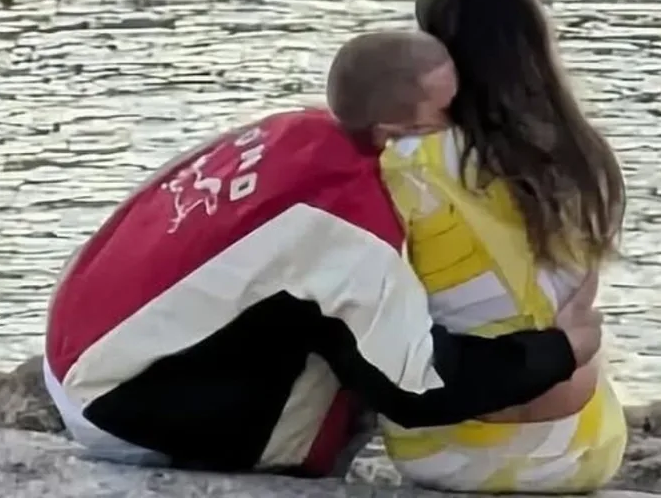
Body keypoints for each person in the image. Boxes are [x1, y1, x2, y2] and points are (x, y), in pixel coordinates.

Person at [44, 30, 602, 475]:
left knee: (336, 302)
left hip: (73, 349)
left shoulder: (293, 128)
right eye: (451, 112)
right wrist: (559, 349)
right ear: (396, 132)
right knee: (370, 347)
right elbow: (421, 386)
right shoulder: (351, 218)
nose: (465, 124)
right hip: (119, 412)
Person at [371, 0, 628, 493]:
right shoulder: (584, 157)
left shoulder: (406, 163)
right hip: (583, 445)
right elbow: (578, 300)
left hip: (450, 451)